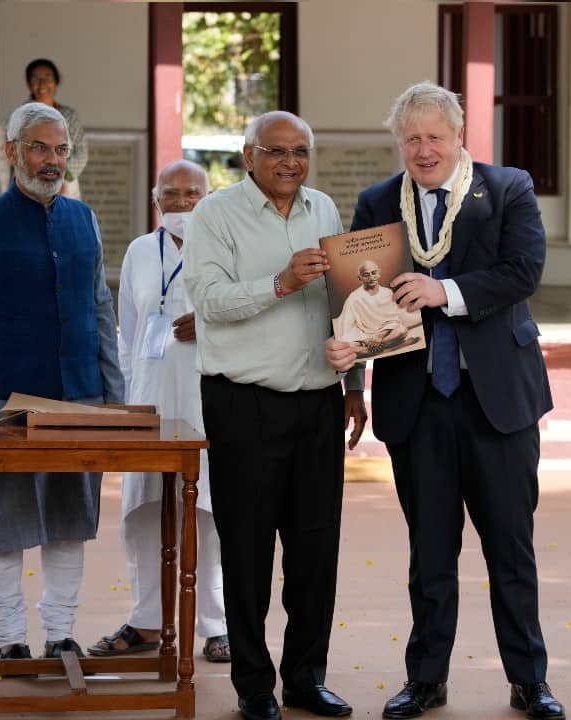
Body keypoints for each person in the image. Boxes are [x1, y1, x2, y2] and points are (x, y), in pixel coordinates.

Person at [325, 82, 565, 720]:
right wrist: (351, 369)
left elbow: (524, 272)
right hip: (417, 402)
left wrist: (445, 292)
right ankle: (426, 679)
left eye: (435, 136)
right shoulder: (378, 201)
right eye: (411, 138)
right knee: (430, 551)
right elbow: (357, 302)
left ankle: (529, 680)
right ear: (399, 143)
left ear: (460, 137)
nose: (423, 149)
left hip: (499, 402)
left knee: (510, 546)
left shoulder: (506, 187)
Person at [183, 110, 367, 720]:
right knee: (248, 550)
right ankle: (255, 688)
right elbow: (208, 304)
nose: (291, 162)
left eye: (301, 151)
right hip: (245, 404)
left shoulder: (324, 210)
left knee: (316, 551)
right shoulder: (214, 214)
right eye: (277, 151)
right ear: (247, 155)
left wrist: (354, 383)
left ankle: (306, 679)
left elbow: (348, 305)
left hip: (319, 402)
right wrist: (281, 282)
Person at [0, 101, 123, 662]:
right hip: (2, 401)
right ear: (13, 151)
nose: (52, 161)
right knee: (7, 521)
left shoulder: (82, 219)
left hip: (79, 398)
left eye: (61, 150)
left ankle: (60, 634)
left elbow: (101, 309)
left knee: (69, 519)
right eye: (40, 148)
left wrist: (116, 395)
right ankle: (10, 638)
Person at [85, 159, 230, 663]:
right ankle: (148, 620)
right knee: (144, 508)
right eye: (172, 194)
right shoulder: (139, 252)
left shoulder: (226, 244)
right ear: (156, 202)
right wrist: (128, 397)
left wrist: (209, 328)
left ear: (209, 198)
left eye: (193, 194)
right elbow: (127, 327)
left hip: (208, 396)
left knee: (211, 510)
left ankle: (217, 624)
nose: (183, 203)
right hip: (148, 396)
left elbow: (247, 314)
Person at [0, 58, 88, 199]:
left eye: (47, 78)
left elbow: (81, 152)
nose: (42, 84)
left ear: (55, 83)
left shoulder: (69, 116)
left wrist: (61, 179)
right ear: (29, 85)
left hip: (63, 186)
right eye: (36, 79)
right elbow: (11, 151)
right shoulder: (18, 116)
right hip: (28, 186)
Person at [336, 259, 422, 357]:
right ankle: (389, 348)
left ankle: (369, 350)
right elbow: (347, 325)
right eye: (366, 275)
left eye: (373, 273)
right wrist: (366, 340)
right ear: (360, 278)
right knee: (348, 345)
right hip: (365, 337)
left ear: (379, 273)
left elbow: (393, 321)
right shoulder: (354, 298)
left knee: (402, 330)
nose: (371, 277)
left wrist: (379, 336)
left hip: (384, 335)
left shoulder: (387, 293)